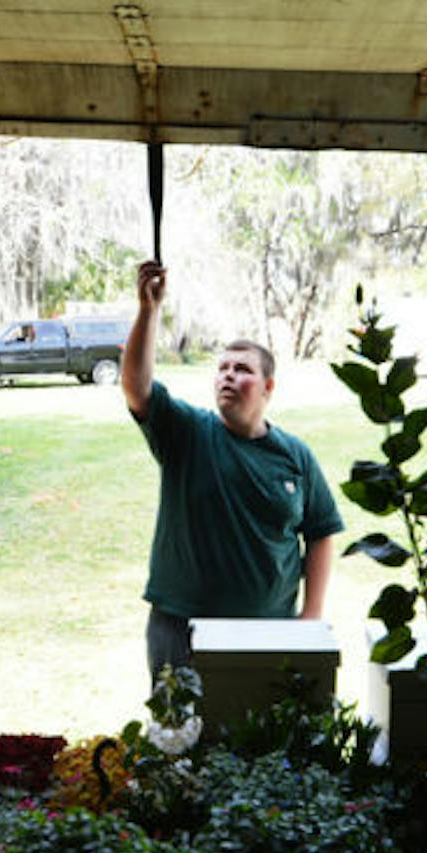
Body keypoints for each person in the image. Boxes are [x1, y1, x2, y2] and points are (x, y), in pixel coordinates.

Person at [123, 260, 344, 676]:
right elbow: (137, 387)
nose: (227, 376)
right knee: (179, 738)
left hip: (268, 633)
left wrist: (310, 617)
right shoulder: (186, 433)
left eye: (242, 369)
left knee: (263, 738)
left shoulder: (295, 456)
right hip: (181, 627)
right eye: (222, 368)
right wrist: (148, 310)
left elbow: (321, 532)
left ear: (268, 387)